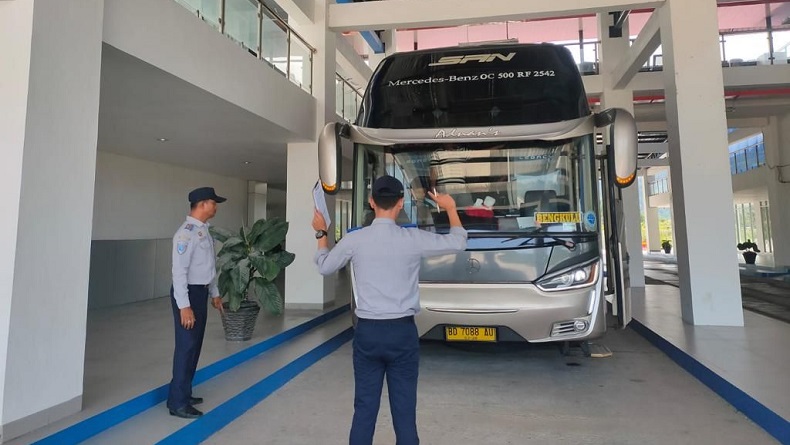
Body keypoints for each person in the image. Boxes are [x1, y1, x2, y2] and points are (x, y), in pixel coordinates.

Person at [312, 175, 467, 445]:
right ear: (400, 203)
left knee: (364, 410)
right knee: (405, 413)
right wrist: (451, 208)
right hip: (402, 332)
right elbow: (457, 242)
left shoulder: (354, 240)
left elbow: (325, 266)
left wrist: (321, 233)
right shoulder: (413, 238)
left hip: (368, 332)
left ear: (371, 202)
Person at [167, 186, 226, 419]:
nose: (216, 206)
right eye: (213, 202)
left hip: (200, 293)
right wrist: (184, 307)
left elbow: (207, 267)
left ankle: (184, 392)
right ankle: (177, 403)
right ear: (202, 204)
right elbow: (179, 272)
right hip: (188, 295)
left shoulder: (203, 231)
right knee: (186, 347)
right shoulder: (185, 234)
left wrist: (215, 293)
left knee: (195, 346)